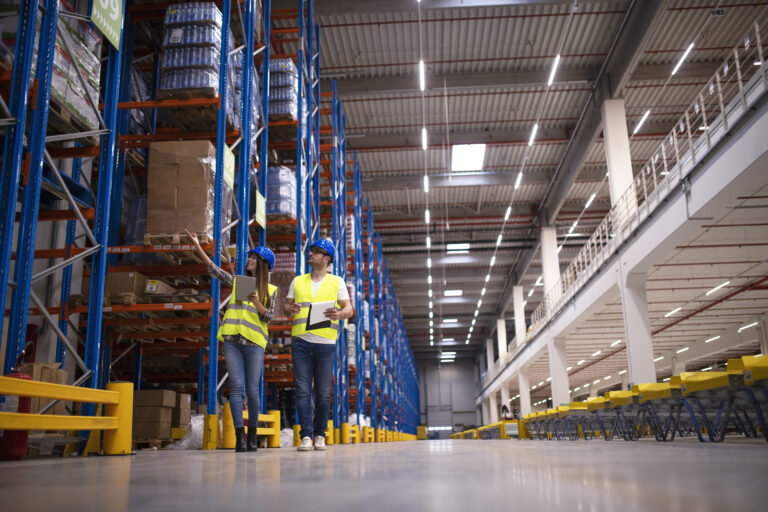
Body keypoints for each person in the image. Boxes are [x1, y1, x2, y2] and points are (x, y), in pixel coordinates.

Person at [186, 229, 276, 453]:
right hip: (233, 341)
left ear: (263, 264)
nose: (250, 260)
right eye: (250, 257)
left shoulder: (270, 290)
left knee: (252, 390)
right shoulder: (240, 282)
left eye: (254, 258)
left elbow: (268, 316)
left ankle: (253, 434)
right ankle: (240, 438)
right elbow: (215, 271)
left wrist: (257, 302)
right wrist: (198, 247)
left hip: (254, 344)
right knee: (235, 387)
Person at [284, 239, 353, 452]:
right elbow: (286, 308)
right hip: (301, 342)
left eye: (316, 251)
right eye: (311, 250)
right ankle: (306, 435)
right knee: (303, 391)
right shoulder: (297, 281)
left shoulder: (337, 282)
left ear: (326, 258)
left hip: (325, 344)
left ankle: (319, 434)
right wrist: (290, 309)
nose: (311, 253)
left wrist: (339, 314)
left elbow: (349, 310)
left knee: (322, 393)